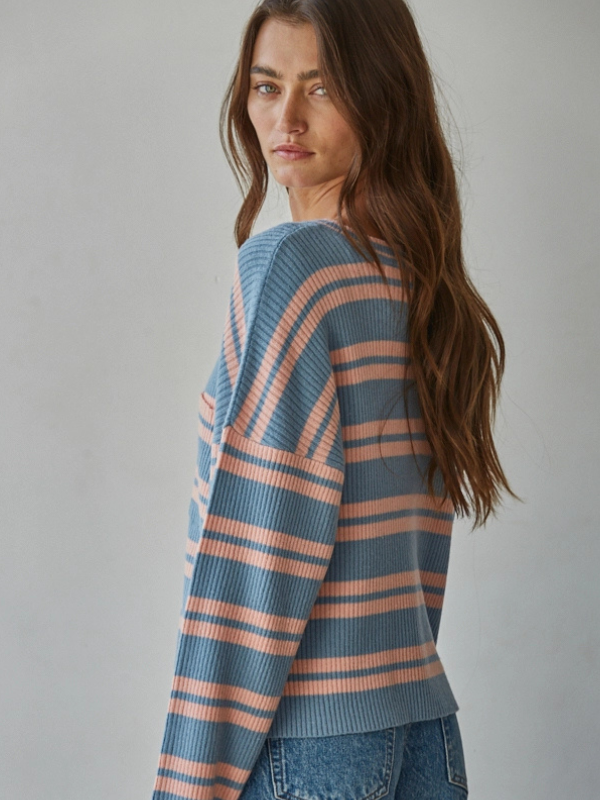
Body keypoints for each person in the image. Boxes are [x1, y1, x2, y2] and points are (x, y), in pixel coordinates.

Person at [151, 1, 519, 798]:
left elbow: (259, 550)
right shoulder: (421, 282)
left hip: (307, 744)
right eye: (265, 85)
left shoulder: (291, 267)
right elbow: (411, 565)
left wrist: (189, 782)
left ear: (380, 96)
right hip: (422, 731)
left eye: (321, 87)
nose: (284, 116)